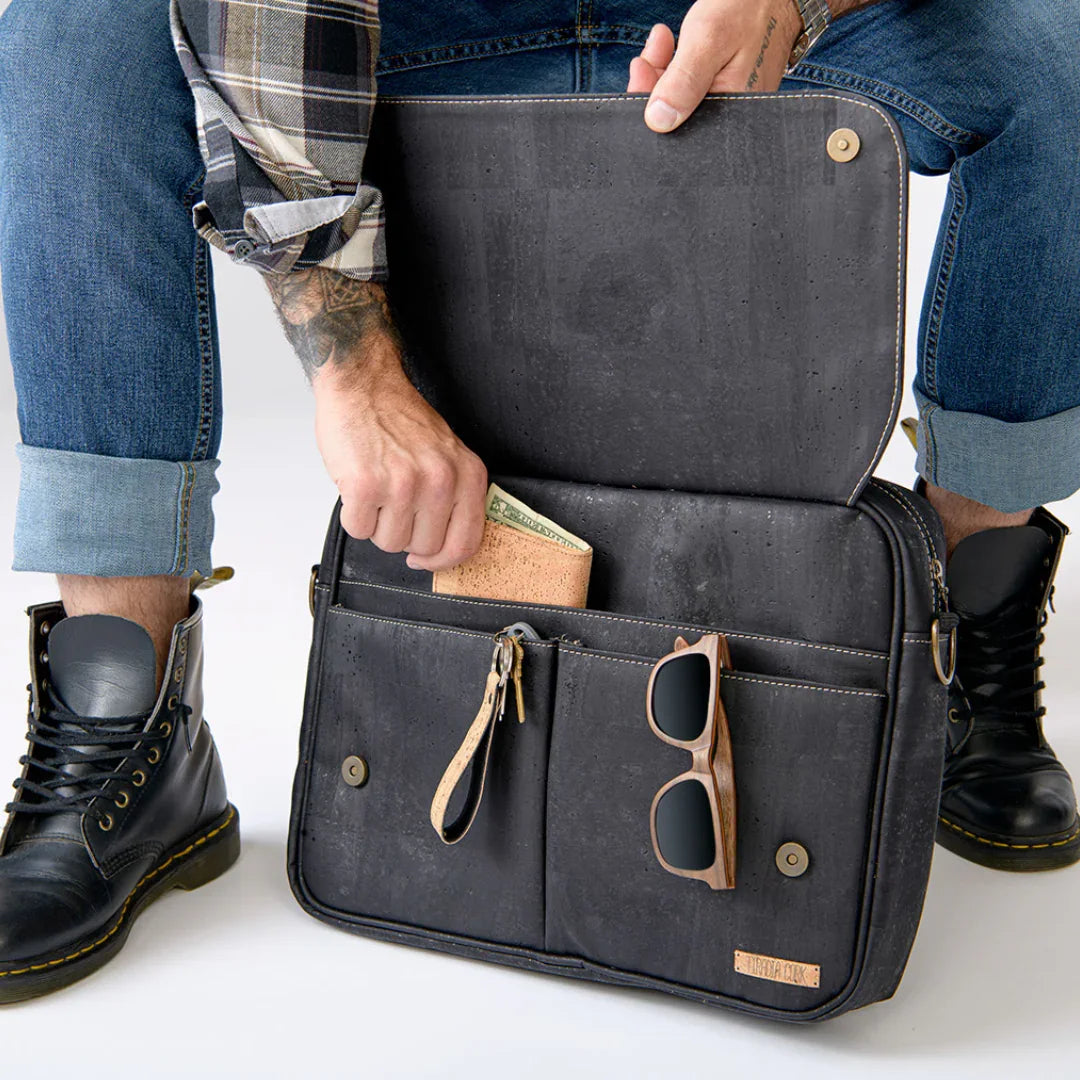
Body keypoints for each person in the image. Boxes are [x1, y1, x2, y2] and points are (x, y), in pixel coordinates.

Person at [0, 0, 1075, 1002]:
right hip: (418, 26)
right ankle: (123, 718)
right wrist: (356, 363)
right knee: (73, 28)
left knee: (1051, 39)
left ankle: (961, 641)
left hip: (738, 21)